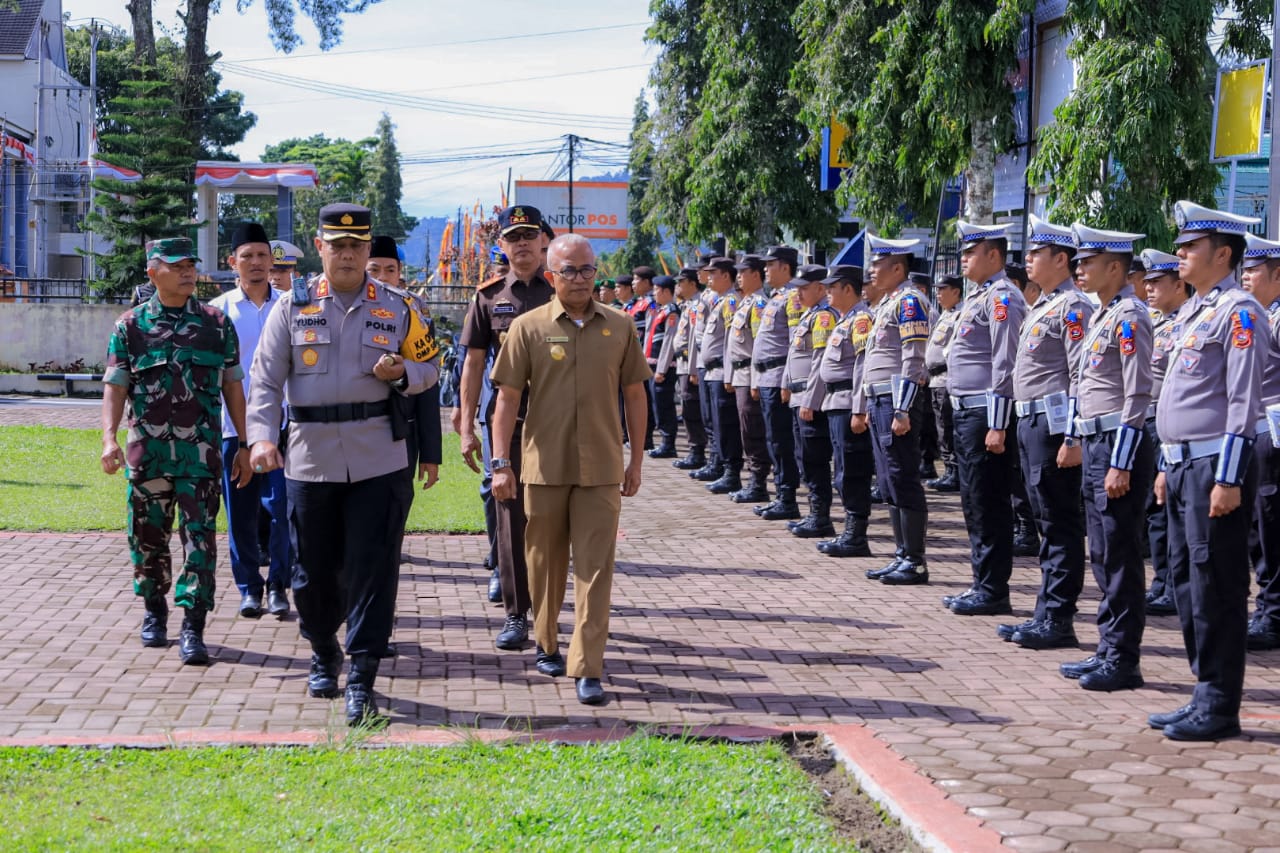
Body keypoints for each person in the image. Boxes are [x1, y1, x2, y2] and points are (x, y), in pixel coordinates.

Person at [246, 203, 439, 726]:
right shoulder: (294, 307)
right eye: (338, 245)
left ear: (367, 247)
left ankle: (362, 675)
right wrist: (262, 438)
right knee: (312, 573)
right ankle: (323, 650)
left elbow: (431, 365)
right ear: (320, 247)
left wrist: (403, 373)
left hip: (379, 455)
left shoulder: (398, 306)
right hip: (310, 457)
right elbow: (263, 381)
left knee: (373, 568)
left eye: (357, 246)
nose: (349, 254)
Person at [488, 233, 651, 706]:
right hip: (543, 466)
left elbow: (636, 395)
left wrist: (636, 460)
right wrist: (501, 464)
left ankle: (588, 666)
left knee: (596, 569)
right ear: (550, 275)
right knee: (543, 564)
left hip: (601, 467)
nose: (579, 279)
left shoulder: (620, 327)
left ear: (595, 272)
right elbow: (507, 400)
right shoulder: (528, 327)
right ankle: (546, 641)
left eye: (586, 270)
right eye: (569, 271)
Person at [1149, 200, 1269, 741]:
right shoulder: (1195, 312)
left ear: (1222, 254)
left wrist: (1227, 478)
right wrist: (1162, 464)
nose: (1179, 255)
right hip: (1180, 466)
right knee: (1184, 579)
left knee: (1216, 583)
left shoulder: (1239, 311)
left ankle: (1220, 704)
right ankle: (1203, 689)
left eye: (1189, 247)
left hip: (1212, 469)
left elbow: (1243, 404)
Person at [101, 237, 250, 665]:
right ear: (152, 272)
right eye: (176, 265)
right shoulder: (129, 327)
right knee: (147, 539)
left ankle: (193, 626)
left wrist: (241, 442)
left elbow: (233, 386)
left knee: (200, 541)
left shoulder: (216, 324)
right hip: (147, 456)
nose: (187, 272)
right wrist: (109, 438)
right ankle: (154, 610)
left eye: (190, 264)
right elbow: (115, 387)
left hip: (200, 456)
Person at [1060, 222, 1155, 692]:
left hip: (1119, 448)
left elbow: (1137, 393)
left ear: (1115, 267)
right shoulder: (1104, 314)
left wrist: (1120, 461)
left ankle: (1123, 658)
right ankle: (1106, 648)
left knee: (1120, 552)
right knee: (1100, 549)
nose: (1079, 270)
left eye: (1088, 263)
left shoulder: (1131, 316)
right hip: (1095, 444)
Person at [457, 205, 553, 651]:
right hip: (508, 421)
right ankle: (516, 614)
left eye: (528, 236)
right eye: (513, 237)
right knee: (510, 515)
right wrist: (465, 426)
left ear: (543, 242)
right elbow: (474, 363)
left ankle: (549, 610)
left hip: (558, 421)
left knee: (553, 518)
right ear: (502, 245)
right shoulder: (489, 296)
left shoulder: (565, 291)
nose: (521, 245)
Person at [997, 215, 1093, 651]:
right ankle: (1045, 612)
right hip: (1031, 420)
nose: (1028, 260)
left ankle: (1058, 618)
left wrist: (1073, 437)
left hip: (1054, 428)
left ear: (1061, 259)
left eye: (1036, 253)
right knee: (1044, 519)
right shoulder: (1044, 305)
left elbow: (1080, 377)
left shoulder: (1074, 307)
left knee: (1059, 522)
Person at [944, 221, 1028, 616]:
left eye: (970, 252)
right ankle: (983, 582)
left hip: (984, 414)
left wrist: (998, 423)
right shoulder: (978, 297)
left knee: (989, 501)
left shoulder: (1002, 297)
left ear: (993, 255)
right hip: (967, 413)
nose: (963, 259)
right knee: (973, 500)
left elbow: (1005, 362)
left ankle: (994, 589)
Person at [209, 223, 292, 620]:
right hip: (233, 428)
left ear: (272, 260)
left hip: (284, 427)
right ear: (232, 262)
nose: (257, 263)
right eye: (248, 256)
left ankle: (278, 584)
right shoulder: (218, 311)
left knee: (283, 510)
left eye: (263, 255)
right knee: (239, 511)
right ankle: (249, 587)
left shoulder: (292, 305)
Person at [852, 234, 933, 584]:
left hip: (898, 401)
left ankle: (914, 560)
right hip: (880, 400)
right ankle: (901, 554)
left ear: (898, 267)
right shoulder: (888, 302)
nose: (871, 270)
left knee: (903, 476)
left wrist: (902, 408)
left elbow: (914, 358)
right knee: (888, 480)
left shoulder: (911, 301)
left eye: (877, 264)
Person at [367, 235, 443, 496]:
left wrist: (430, 453)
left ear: (400, 273)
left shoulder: (414, 309)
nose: (382, 277)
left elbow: (428, 381)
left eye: (390, 270)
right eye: (373, 269)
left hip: (400, 428)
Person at [1140, 248, 1188, 617]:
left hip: (1170, 426)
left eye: (1157, 282)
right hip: (1149, 423)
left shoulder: (1188, 322)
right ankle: (1161, 582)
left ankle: (1174, 584)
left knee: (1170, 510)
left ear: (1179, 284)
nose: (1149, 288)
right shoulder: (1154, 321)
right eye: (1148, 282)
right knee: (1154, 512)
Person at [816, 265, 875, 558]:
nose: (827, 292)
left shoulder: (861, 320)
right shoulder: (844, 320)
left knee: (852, 470)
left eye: (832, 287)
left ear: (847, 289)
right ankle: (850, 532)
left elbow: (863, 368)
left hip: (847, 404)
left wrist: (859, 409)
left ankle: (856, 535)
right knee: (842, 469)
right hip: (834, 402)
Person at [1240, 233, 1280, 651]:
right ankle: (1267, 609)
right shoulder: (1260, 315)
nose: (1247, 277)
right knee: (1257, 529)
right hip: (1255, 433)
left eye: (1254, 271)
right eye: (1245, 270)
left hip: (1274, 435)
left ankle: (1273, 614)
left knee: (1271, 528)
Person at [782, 264, 840, 537]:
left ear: (820, 288)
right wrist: (786, 384)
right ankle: (813, 513)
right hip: (798, 395)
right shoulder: (808, 316)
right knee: (802, 456)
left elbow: (819, 363)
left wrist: (810, 400)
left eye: (804, 288)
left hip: (810, 399)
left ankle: (821, 516)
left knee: (815, 459)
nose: (798, 294)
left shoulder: (824, 318)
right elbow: (793, 356)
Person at [752, 246, 804, 520]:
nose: (765, 270)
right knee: (773, 440)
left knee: (782, 441)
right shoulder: (776, 297)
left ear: (785, 267)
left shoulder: (794, 297)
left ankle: (788, 498)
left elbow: (795, 343)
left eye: (770, 265)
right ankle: (781, 495)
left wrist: (786, 381)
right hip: (766, 377)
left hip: (778, 377)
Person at [725, 255, 772, 503]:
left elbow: (758, 346)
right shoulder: (746, 303)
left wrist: (754, 380)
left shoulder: (759, 305)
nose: (739, 277)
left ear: (756, 275)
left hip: (750, 374)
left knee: (753, 429)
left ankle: (758, 482)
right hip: (740, 373)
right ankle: (754, 480)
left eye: (744, 272)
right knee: (746, 429)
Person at [700, 257, 743, 495]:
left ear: (726, 275)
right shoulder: (720, 301)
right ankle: (722, 466)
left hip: (722, 372)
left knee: (727, 425)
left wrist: (729, 374)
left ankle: (731, 472)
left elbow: (731, 341)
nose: (708, 278)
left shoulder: (731, 302)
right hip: (712, 371)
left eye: (713, 273)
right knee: (716, 423)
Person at [925, 274, 964, 492]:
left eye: (943, 290)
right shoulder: (944, 315)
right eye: (937, 290)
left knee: (947, 427)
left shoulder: (959, 315)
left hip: (946, 378)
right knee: (940, 427)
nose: (938, 294)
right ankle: (949, 469)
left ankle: (954, 470)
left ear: (956, 291)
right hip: (935, 379)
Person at [670, 267, 708, 470]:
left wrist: (693, 369)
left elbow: (695, 339)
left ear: (692, 284)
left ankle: (698, 451)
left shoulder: (697, 305)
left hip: (690, 364)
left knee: (692, 409)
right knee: (687, 408)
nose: (677, 286)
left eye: (681, 282)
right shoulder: (688, 305)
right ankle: (695, 451)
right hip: (684, 364)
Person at [646, 274, 681, 457]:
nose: (654, 294)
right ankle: (664, 441)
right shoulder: (661, 310)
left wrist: (661, 369)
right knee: (657, 404)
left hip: (664, 367)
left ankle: (669, 444)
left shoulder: (671, 312)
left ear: (666, 291)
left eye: (656, 290)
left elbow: (669, 341)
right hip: (653, 364)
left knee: (664, 405)